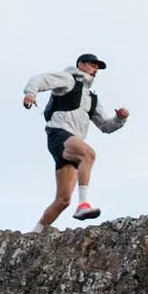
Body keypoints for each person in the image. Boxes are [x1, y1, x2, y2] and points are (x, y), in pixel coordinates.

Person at [23, 53, 129, 229]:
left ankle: (34, 234)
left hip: (73, 143)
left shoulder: (91, 98)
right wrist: (31, 93)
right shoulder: (68, 79)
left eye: (97, 68)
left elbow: (106, 126)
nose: (95, 70)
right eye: (92, 65)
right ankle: (83, 204)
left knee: (63, 200)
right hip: (59, 134)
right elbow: (40, 79)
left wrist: (120, 118)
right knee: (88, 154)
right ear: (81, 64)